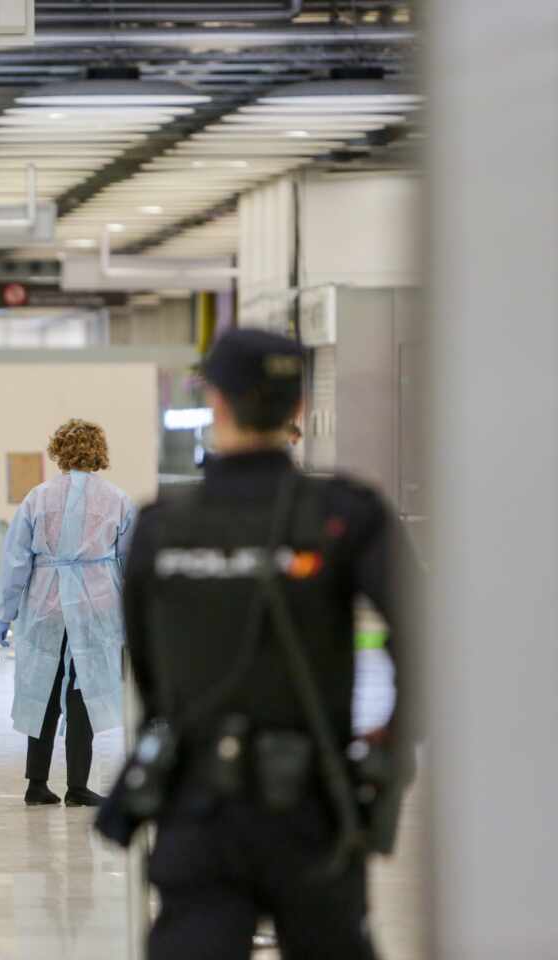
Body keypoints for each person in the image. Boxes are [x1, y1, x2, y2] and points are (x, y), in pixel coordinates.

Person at [112, 329, 415, 960]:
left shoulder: (161, 528)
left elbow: (146, 670)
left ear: (214, 402)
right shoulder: (346, 513)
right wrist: (387, 747)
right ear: (299, 408)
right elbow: (432, 640)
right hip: (311, 806)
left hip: (196, 807)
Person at [0, 419, 134, 808]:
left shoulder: (37, 498)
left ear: (58, 450)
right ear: (99, 451)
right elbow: (129, 561)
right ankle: (78, 786)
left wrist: (3, 614)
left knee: (44, 692)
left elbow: (16, 561)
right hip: (95, 608)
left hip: (46, 606)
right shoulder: (117, 499)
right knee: (82, 695)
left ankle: (36, 783)